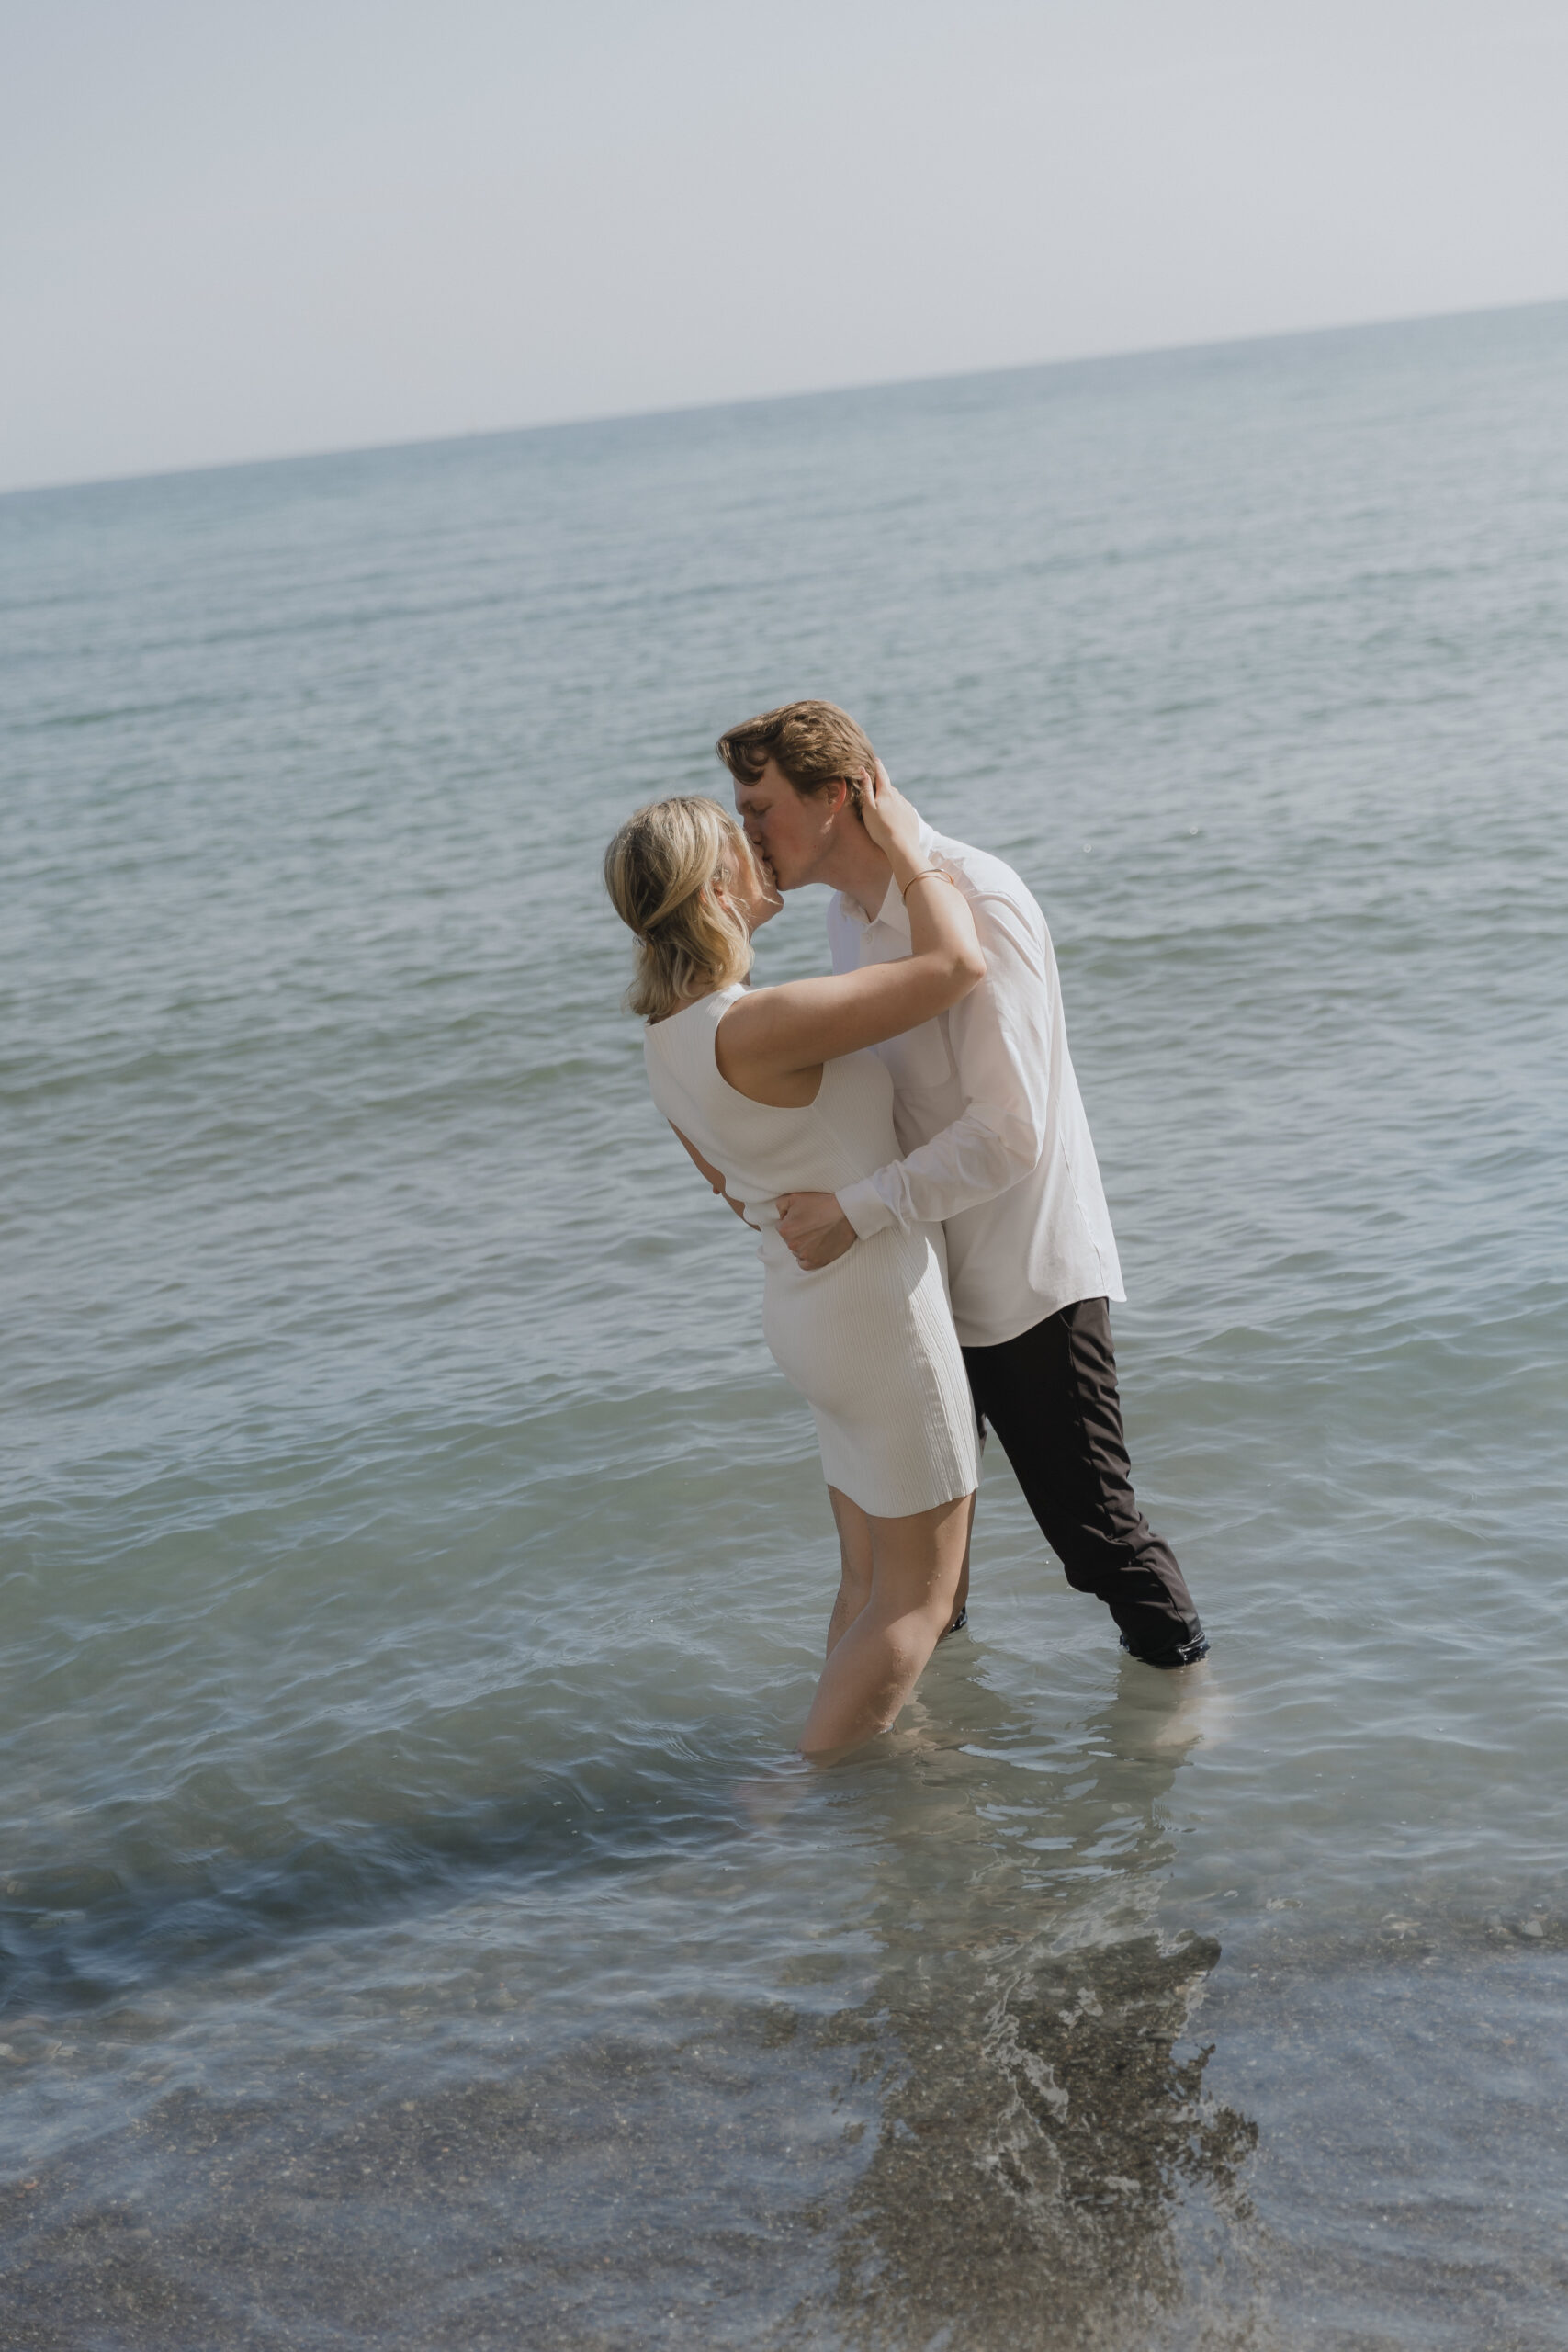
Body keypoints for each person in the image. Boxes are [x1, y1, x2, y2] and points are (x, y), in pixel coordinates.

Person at [714, 700, 1209, 1671]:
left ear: (837, 797)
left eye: (759, 807)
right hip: (923, 1273)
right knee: (928, 1567)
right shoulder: (843, 917)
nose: (747, 834)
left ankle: (1188, 1716)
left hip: (1026, 1275)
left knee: (1096, 1538)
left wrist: (854, 1214)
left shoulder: (981, 897)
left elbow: (1009, 1130)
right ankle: (936, 1780)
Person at [604, 777, 987, 1758]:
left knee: (865, 1582)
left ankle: (856, 1762)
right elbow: (954, 963)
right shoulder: (756, 1026)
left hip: (808, 1313)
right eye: (741, 846)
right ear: (713, 893)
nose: (759, 853)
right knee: (920, 1596)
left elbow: (737, 1194)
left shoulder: (669, 1041)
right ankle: (802, 1793)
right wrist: (912, 848)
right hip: (875, 1318)